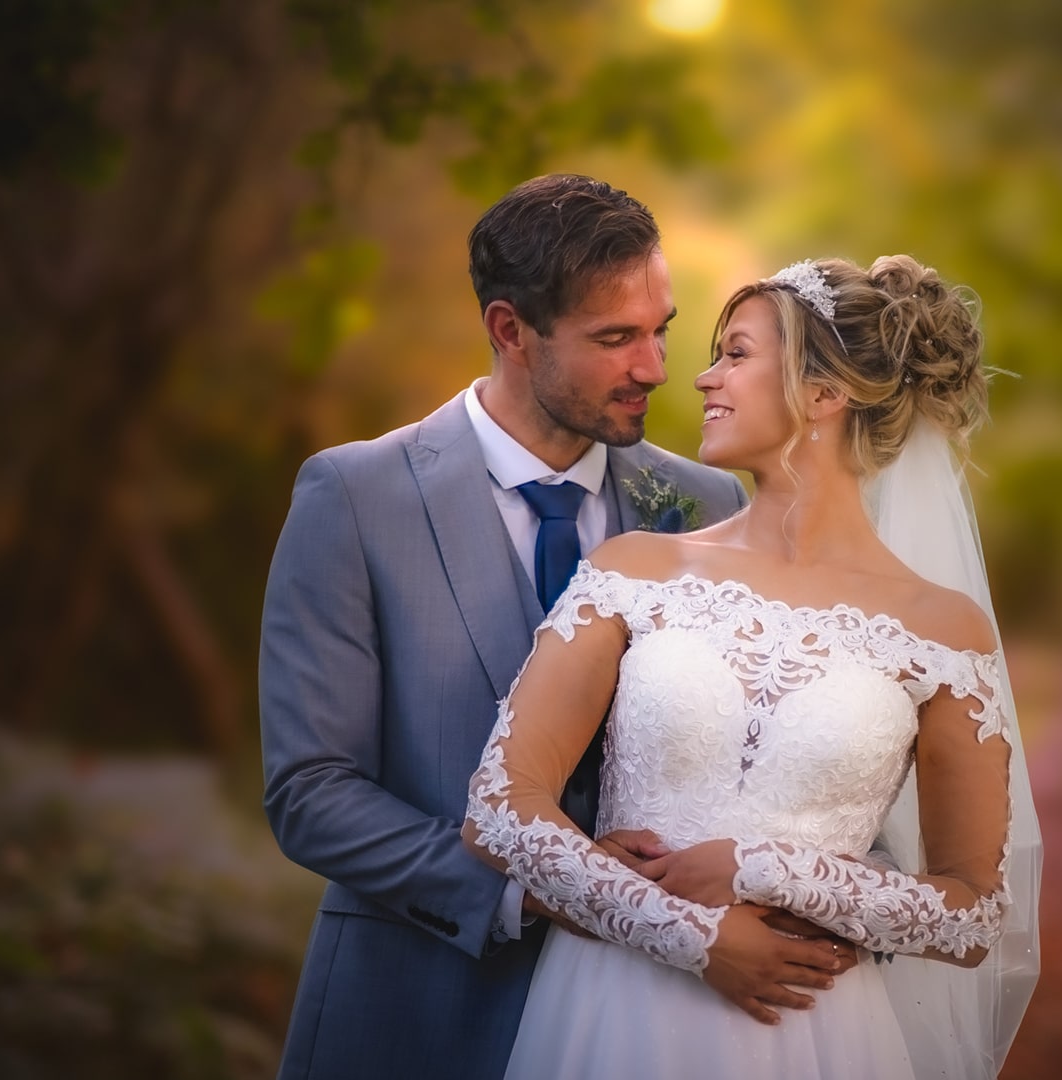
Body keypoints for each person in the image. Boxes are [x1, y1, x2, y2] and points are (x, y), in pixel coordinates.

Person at [258, 175, 844, 1080]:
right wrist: (544, 889)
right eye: (615, 339)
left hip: (653, 1019)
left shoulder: (703, 502)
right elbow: (311, 790)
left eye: (661, 330)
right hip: (416, 1008)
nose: (654, 367)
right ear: (511, 331)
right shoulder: (356, 498)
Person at [462, 254, 1043, 1079]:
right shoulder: (637, 570)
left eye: (734, 353)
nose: (699, 379)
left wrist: (766, 869)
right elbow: (498, 805)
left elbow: (971, 916)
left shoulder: (944, 631)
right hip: (613, 1012)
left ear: (824, 392)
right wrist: (691, 935)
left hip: (812, 1033)